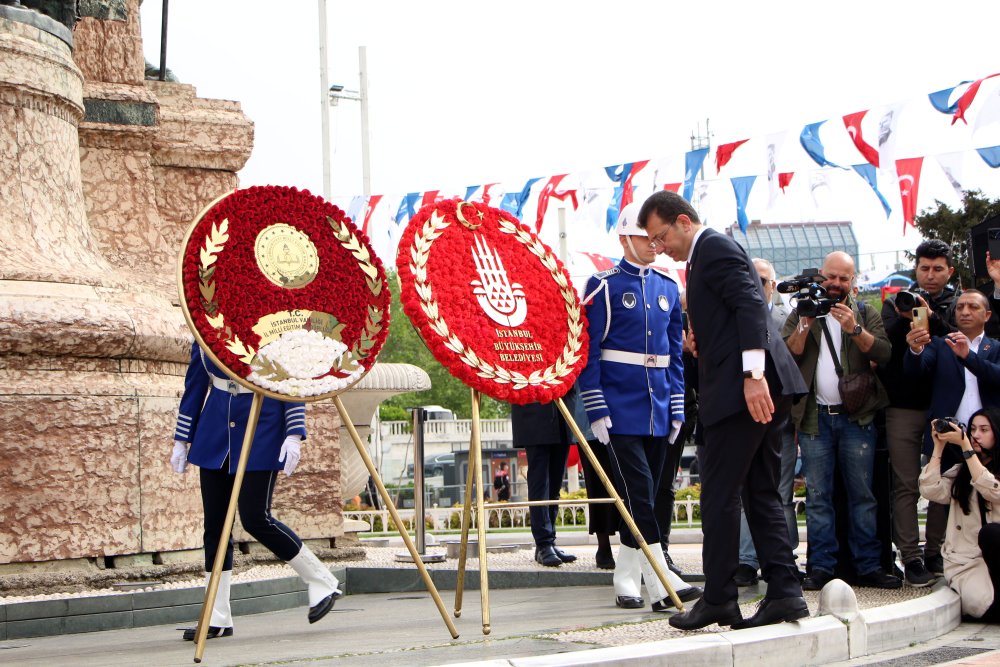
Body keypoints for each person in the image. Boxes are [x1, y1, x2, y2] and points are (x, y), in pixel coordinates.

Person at [640, 190, 807, 631]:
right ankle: (786, 593)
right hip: (746, 385)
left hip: (744, 390)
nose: (659, 248)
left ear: (683, 222)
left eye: (660, 237)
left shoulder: (712, 247)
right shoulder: (702, 256)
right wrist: (701, 342)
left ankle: (719, 598)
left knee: (718, 494)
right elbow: (729, 315)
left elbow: (751, 304)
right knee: (760, 491)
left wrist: (753, 376)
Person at [171, 342, 341, 641]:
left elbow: (290, 381)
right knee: (216, 529)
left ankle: (321, 580)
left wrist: (293, 432)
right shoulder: (206, 330)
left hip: (262, 426)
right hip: (215, 432)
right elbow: (196, 385)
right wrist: (182, 438)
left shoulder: (272, 331)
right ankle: (216, 615)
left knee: (255, 518)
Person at [578, 201, 699, 612]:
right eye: (645, 238)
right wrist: (596, 407)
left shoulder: (668, 287)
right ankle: (661, 579)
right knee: (640, 493)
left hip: (659, 406)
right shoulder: (602, 284)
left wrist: (677, 406)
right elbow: (589, 354)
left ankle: (627, 578)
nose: (654, 245)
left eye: (656, 237)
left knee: (644, 495)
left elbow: (674, 357)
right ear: (625, 238)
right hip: (619, 408)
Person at [783, 251, 899, 591]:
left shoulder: (865, 312)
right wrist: (805, 322)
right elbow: (789, 354)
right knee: (819, 497)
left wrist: (855, 329)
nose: (835, 284)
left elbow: (883, 353)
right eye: (830, 277)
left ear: (853, 281)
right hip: (813, 419)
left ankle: (868, 565)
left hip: (857, 418)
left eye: (843, 278)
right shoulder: (802, 312)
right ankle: (820, 566)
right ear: (821, 275)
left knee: (862, 496)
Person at [878, 239, 958, 585]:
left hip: (945, 405)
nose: (930, 275)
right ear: (916, 269)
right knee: (906, 484)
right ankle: (910, 556)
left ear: (949, 271)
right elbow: (883, 346)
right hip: (902, 406)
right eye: (924, 268)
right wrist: (903, 318)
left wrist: (932, 317)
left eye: (938, 268)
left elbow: (957, 337)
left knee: (945, 481)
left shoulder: (959, 303)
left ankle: (936, 552)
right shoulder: (896, 302)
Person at [734, 258, 798, 587]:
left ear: (773, 285)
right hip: (745, 420)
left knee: (779, 494)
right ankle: (746, 560)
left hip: (782, 420)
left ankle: (782, 561)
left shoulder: (790, 319)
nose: (758, 285)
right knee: (749, 492)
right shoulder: (734, 317)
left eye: (763, 280)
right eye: (751, 279)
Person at [904, 290, 1000, 487]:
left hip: (989, 440)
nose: (965, 312)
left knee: (989, 498)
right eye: (960, 307)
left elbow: (996, 376)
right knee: (942, 506)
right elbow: (916, 371)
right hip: (947, 439)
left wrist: (968, 357)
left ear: (987, 315)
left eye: (973, 307)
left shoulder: (996, 347)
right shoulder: (941, 343)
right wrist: (915, 349)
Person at [918, 409, 1000, 620]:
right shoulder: (959, 472)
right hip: (968, 562)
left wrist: (965, 447)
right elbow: (930, 490)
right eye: (972, 430)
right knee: (984, 605)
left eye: (984, 430)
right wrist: (939, 446)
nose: (976, 435)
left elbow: (991, 489)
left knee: (992, 534)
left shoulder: (983, 471)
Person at [511, 399, 578, 567]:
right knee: (540, 483)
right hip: (534, 413)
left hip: (562, 413)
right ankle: (543, 543)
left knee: (555, 483)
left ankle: (550, 540)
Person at [569, 387, 618, 569]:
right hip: (590, 413)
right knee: (596, 484)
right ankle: (603, 545)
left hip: (624, 410)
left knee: (631, 483)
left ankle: (636, 544)